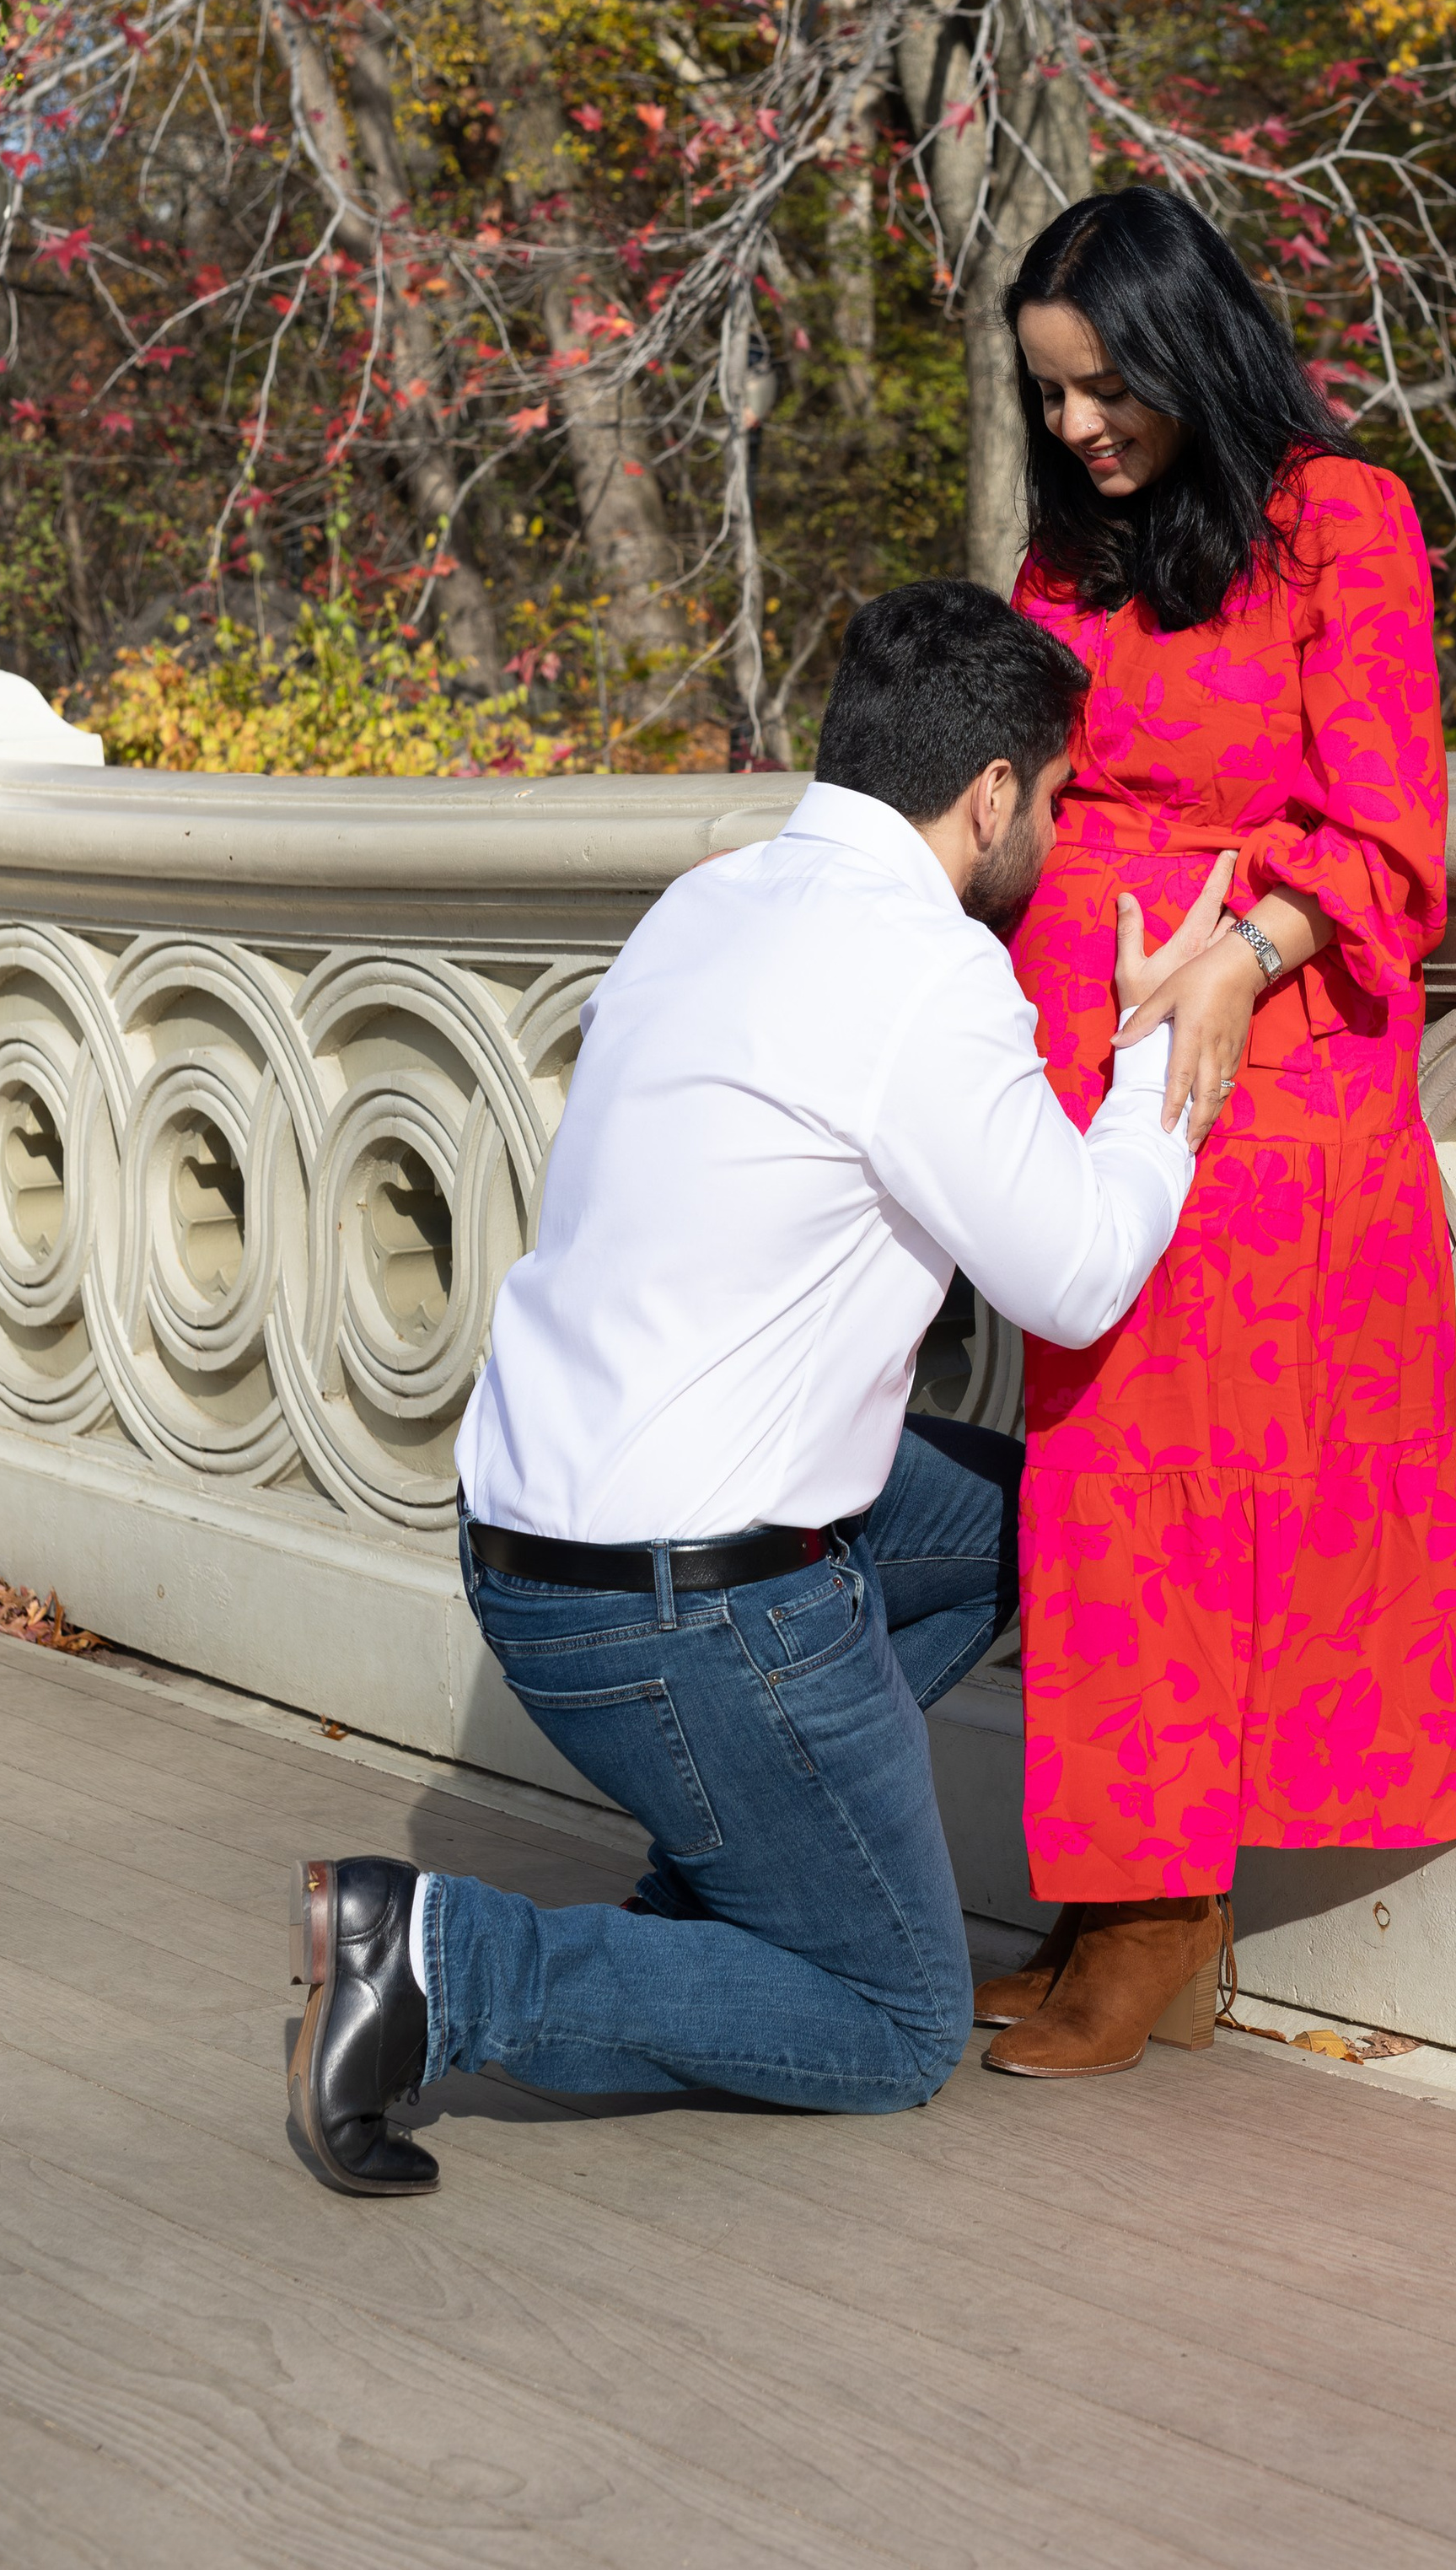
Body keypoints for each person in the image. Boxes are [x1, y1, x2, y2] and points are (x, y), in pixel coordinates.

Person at [285, 579, 1235, 2196]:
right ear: (992, 793)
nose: (1062, 841)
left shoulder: (707, 903)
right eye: (1059, 802)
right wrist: (1162, 1055)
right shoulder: (924, 970)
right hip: (680, 1610)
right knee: (890, 2020)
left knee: (1041, 1530)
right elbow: (1073, 1271)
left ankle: (741, 1862)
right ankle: (443, 1963)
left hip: (527, 1553)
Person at [973, 183, 1456, 2078]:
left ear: (1191, 344)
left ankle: (1165, 1912)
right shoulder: (1070, 557)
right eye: (1048, 397)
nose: (1079, 428)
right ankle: (1110, 1889)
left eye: (1105, 385)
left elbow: (1386, 825)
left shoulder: (1335, 520)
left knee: (1181, 1502)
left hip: (1256, 1082)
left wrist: (1231, 953)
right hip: (1079, 1084)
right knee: (1095, 1499)